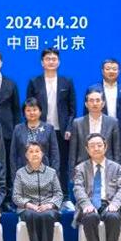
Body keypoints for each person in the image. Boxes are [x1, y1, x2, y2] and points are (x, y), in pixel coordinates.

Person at [73, 133, 121, 241]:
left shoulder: (117, 168)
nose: (96, 148)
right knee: (89, 217)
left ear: (105, 147)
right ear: (87, 149)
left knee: (114, 217)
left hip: (109, 204)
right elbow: (78, 189)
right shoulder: (80, 168)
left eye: (99, 145)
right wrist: (86, 204)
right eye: (92, 146)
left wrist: (115, 204)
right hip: (90, 203)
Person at [26, 47, 76, 186]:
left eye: (54, 59)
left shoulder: (67, 81)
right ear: (42, 62)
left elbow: (72, 109)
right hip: (40, 129)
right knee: (40, 161)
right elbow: (29, 107)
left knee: (62, 162)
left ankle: (63, 194)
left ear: (59, 62)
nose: (51, 62)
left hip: (62, 131)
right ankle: (39, 192)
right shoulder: (34, 82)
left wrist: (69, 128)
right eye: (48, 59)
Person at [13, 142, 63, 241]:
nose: (34, 154)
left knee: (47, 215)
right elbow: (16, 196)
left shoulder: (51, 172)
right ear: (26, 155)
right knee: (32, 215)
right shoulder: (20, 173)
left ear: (42, 154)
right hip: (28, 208)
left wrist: (50, 205)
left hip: (48, 207)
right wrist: (30, 205)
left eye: (37, 151)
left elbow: (58, 194)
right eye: (31, 151)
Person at [67, 89, 121, 176]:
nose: (95, 103)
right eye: (91, 101)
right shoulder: (77, 123)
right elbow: (72, 152)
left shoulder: (113, 122)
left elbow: (117, 150)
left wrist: (116, 170)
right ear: (86, 104)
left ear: (103, 104)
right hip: (83, 168)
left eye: (98, 100)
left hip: (108, 168)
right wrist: (72, 173)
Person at [10, 98, 60, 182]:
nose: (32, 113)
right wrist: (15, 177)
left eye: (34, 110)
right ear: (24, 113)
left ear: (40, 111)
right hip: (23, 175)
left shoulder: (49, 129)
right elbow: (13, 155)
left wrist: (54, 177)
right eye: (28, 110)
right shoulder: (18, 129)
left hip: (45, 175)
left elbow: (55, 155)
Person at [94, 58, 121, 124]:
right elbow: (87, 113)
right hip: (99, 127)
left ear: (119, 71)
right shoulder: (93, 89)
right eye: (108, 69)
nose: (111, 71)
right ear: (102, 71)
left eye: (114, 69)